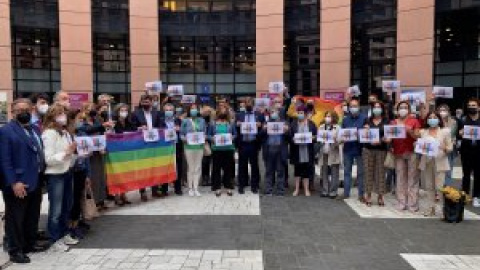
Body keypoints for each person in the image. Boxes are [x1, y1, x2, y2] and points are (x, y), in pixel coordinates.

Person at [0, 99, 49, 263]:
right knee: (15, 218)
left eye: (27, 109)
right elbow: (4, 160)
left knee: (32, 215)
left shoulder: (34, 128)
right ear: (13, 112)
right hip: (18, 183)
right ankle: (15, 250)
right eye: (20, 110)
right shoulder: (6, 131)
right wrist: (14, 182)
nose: (24, 112)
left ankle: (29, 243)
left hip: (35, 180)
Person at [42, 104, 78, 252]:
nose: (63, 116)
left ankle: (63, 234)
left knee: (66, 206)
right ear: (52, 117)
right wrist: (67, 152)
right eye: (60, 114)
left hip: (67, 172)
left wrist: (74, 154)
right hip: (55, 175)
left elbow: (69, 155)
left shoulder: (64, 133)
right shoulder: (49, 134)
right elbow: (48, 159)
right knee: (56, 210)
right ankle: (54, 238)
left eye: (64, 113)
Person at [418, 111, 453, 216]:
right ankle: (430, 208)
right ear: (427, 120)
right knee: (429, 186)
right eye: (430, 117)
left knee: (439, 187)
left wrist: (445, 148)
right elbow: (421, 146)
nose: (432, 119)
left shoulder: (445, 131)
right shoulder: (423, 132)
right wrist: (418, 145)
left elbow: (450, 147)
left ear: (438, 119)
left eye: (434, 117)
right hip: (427, 161)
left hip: (440, 161)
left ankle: (443, 208)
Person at [131, 94, 163, 201]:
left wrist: (156, 129)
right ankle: (143, 191)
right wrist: (139, 128)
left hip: (154, 144)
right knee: (142, 168)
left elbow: (162, 126)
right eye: (144, 101)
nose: (146, 103)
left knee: (154, 167)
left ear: (151, 102)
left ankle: (155, 190)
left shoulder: (156, 113)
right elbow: (131, 128)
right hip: (141, 144)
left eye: (148, 101)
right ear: (140, 102)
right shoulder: (135, 113)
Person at [390, 101, 421, 212]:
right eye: (401, 107)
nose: (403, 109)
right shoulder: (393, 122)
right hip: (398, 152)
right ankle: (401, 202)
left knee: (412, 178)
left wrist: (410, 131)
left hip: (412, 152)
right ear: (397, 110)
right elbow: (390, 137)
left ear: (409, 110)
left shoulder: (414, 121)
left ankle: (413, 204)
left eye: (405, 107)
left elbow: (417, 136)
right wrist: (387, 141)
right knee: (400, 178)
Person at [76, 103, 108, 208]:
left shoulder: (97, 121)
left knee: (101, 177)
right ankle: (94, 202)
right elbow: (85, 131)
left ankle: (101, 200)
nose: (91, 111)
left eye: (93, 108)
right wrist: (101, 126)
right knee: (92, 177)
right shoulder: (82, 123)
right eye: (89, 109)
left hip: (99, 152)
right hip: (89, 154)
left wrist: (104, 147)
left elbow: (102, 135)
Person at [70, 110, 92, 239]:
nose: (80, 122)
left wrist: (88, 174)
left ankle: (77, 223)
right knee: (71, 200)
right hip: (72, 171)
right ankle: (71, 226)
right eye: (78, 119)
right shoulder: (68, 134)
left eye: (82, 120)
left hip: (82, 169)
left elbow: (86, 157)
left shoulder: (82, 134)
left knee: (79, 198)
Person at [362, 101, 389, 206]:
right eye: (375, 107)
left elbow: (388, 137)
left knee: (381, 173)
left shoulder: (386, 121)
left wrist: (381, 140)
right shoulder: (367, 120)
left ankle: (380, 196)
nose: (377, 109)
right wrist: (366, 131)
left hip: (381, 150)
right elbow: (363, 135)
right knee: (368, 172)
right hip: (368, 149)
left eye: (379, 107)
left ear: (382, 109)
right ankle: (368, 195)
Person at [236, 97, 264, 194]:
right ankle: (241, 185)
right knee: (242, 165)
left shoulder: (258, 115)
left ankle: (254, 185)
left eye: (250, 103)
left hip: (253, 143)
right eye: (247, 102)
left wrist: (260, 125)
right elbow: (235, 128)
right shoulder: (239, 115)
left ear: (253, 104)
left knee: (254, 165)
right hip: (243, 144)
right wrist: (237, 124)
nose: (248, 104)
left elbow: (264, 128)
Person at [341, 98, 367, 201]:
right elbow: (342, 134)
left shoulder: (364, 118)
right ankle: (346, 193)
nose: (353, 108)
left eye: (355, 106)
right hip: (348, 149)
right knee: (347, 172)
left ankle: (361, 195)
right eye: (351, 106)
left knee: (361, 173)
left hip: (360, 149)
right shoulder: (345, 119)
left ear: (359, 107)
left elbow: (367, 133)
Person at [289, 106, 317, 196]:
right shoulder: (293, 124)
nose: (300, 114)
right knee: (297, 170)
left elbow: (316, 136)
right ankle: (296, 189)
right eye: (298, 112)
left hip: (307, 151)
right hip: (297, 150)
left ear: (305, 114)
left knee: (307, 171)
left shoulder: (311, 124)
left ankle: (306, 189)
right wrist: (292, 139)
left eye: (301, 112)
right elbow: (289, 136)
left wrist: (313, 138)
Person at [458, 98, 480, 207]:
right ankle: (465, 195)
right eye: (469, 105)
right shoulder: (463, 120)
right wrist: (460, 133)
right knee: (466, 174)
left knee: (478, 175)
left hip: (479, 151)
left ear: (478, 107)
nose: (471, 107)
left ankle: (476, 196)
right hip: (466, 150)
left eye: (474, 105)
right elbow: (457, 134)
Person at [180, 104, 206, 197]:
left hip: (199, 147)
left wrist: (204, 137)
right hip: (189, 147)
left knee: (198, 167)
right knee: (191, 167)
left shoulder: (202, 121)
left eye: (195, 108)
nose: (194, 110)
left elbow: (204, 132)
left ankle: (196, 188)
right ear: (189, 110)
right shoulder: (185, 121)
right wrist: (184, 139)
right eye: (192, 108)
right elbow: (181, 134)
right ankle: (190, 188)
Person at [262, 108, 289, 196]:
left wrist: (286, 131)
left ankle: (280, 190)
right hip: (269, 150)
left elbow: (289, 136)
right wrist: (263, 130)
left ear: (279, 113)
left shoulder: (284, 122)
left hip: (280, 150)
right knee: (269, 171)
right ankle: (268, 190)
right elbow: (260, 136)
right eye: (272, 112)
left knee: (280, 171)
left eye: (275, 112)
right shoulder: (267, 122)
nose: (273, 113)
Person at [209, 111, 236, 196]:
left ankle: (228, 186)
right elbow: (208, 135)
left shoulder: (230, 123)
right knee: (216, 169)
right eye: (221, 110)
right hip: (217, 149)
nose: (223, 112)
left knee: (228, 169)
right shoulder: (213, 124)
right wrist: (212, 138)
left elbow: (235, 134)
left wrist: (233, 136)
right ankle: (217, 187)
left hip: (228, 149)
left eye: (225, 111)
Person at [112, 103, 135, 205]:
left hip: (126, 152)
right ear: (117, 112)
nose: (124, 112)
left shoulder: (129, 123)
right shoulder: (113, 123)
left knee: (125, 174)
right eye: (122, 110)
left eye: (126, 110)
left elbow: (134, 133)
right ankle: (117, 196)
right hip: (116, 152)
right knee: (117, 174)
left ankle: (124, 195)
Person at [159, 103, 183, 196]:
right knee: (165, 167)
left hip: (176, 146)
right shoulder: (160, 121)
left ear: (173, 111)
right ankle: (164, 189)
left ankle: (178, 188)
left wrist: (179, 129)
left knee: (178, 167)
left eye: (170, 110)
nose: (168, 111)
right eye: (167, 110)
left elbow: (183, 131)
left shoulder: (178, 120)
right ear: (164, 111)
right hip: (165, 148)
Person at [317, 111, 341, 199]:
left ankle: (333, 192)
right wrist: (320, 139)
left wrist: (335, 140)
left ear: (333, 118)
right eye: (326, 116)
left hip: (333, 152)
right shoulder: (321, 127)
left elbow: (340, 141)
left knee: (334, 172)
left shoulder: (337, 128)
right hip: (324, 152)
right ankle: (324, 190)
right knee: (324, 172)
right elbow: (318, 139)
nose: (327, 118)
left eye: (329, 116)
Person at [437, 104, 457, 186]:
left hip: (449, 150)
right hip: (438, 150)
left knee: (448, 171)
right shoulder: (435, 121)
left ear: (448, 112)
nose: (442, 112)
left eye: (444, 110)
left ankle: (447, 190)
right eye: (440, 110)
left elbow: (453, 135)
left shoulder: (453, 122)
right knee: (438, 171)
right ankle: (437, 190)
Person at [201, 106, 215, 187]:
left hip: (210, 143)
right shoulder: (201, 121)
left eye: (208, 112)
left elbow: (213, 133)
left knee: (209, 161)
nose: (207, 113)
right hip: (203, 143)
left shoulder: (212, 122)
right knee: (204, 162)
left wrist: (208, 137)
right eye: (205, 112)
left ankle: (208, 178)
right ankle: (204, 178)